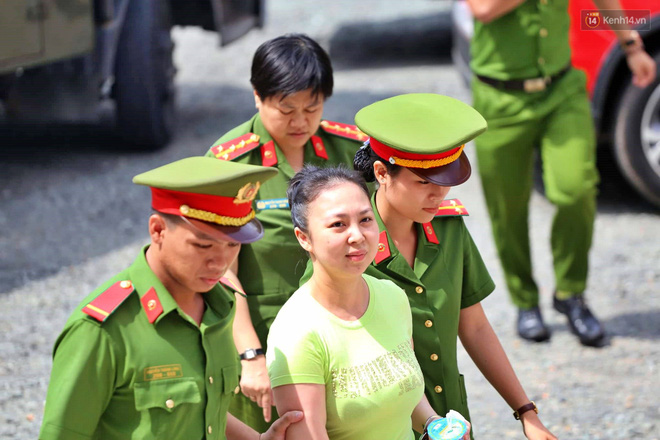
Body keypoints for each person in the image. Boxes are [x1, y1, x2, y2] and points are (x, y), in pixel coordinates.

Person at [39, 157, 303, 440]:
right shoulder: (102, 330)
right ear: (158, 230)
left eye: (233, 244)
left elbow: (201, 406)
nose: (220, 261)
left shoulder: (220, 305)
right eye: (203, 245)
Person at [350, 93, 556, 439]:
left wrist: (526, 413)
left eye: (443, 183)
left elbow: (473, 325)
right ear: (382, 172)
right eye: (424, 183)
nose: (438, 196)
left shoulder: (448, 229)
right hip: (381, 425)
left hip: (451, 422)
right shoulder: (350, 245)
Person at [465, 0, 656, 345]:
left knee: (576, 190)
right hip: (499, 98)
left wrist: (631, 45)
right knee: (507, 206)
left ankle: (571, 293)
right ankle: (525, 301)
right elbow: (483, 8)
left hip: (561, 91)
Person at [204, 33, 366, 429]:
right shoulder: (231, 164)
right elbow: (222, 268)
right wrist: (250, 355)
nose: (300, 122)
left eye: (312, 108)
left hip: (342, 333)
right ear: (258, 97)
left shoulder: (348, 150)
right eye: (286, 109)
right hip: (265, 336)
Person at [267, 165, 470, 440]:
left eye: (365, 220)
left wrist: (435, 425)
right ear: (304, 238)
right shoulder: (296, 332)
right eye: (338, 224)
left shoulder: (392, 295)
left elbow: (403, 387)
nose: (357, 236)